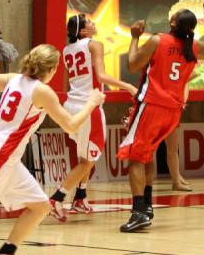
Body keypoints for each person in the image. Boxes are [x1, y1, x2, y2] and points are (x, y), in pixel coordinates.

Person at [0, 45, 105, 255]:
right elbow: (70, 125)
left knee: (41, 207)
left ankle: (6, 251)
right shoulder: (42, 91)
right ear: (50, 69)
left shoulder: (13, 79)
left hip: (5, 159)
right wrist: (91, 103)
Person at [118, 3, 204, 233]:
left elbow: (133, 64)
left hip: (152, 105)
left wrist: (134, 38)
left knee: (134, 157)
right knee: (148, 154)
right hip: (172, 111)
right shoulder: (192, 47)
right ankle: (148, 204)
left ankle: (138, 212)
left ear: (173, 23)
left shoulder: (157, 40)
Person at [48, 14, 138, 221]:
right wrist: (128, 86)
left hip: (71, 105)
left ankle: (81, 198)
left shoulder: (66, 49)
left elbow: (66, 83)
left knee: (84, 158)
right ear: (83, 31)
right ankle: (56, 199)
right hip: (89, 107)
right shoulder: (94, 45)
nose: (93, 23)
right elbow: (102, 77)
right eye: (89, 22)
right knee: (87, 161)